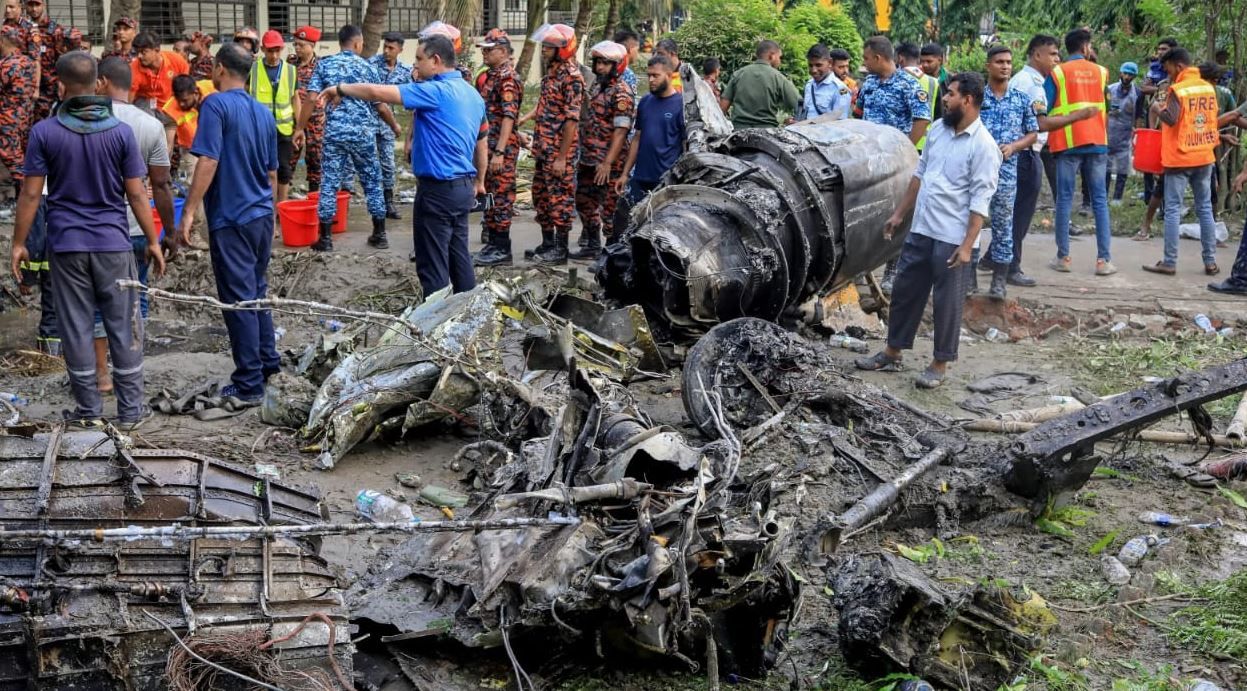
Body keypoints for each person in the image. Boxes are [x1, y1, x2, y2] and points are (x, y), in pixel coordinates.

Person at [10, 51, 164, 427]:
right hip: (114, 243)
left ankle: (88, 411)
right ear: (97, 83)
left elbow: (31, 195)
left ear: (60, 86)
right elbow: (137, 194)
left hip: (67, 246)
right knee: (123, 323)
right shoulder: (120, 133)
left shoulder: (44, 132)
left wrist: (18, 243)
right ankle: (129, 412)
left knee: (77, 325)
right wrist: (154, 240)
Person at [854, 72, 1000, 389]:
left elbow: (980, 201)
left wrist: (967, 246)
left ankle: (939, 364)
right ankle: (892, 353)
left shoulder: (985, 147)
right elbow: (919, 176)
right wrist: (898, 215)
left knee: (947, 304)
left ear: (968, 100)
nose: (944, 99)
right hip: (922, 229)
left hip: (953, 238)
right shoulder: (937, 131)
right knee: (906, 293)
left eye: (950, 94)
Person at [320, 33, 486, 297]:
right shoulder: (472, 94)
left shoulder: (435, 91)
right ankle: (469, 312)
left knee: (432, 264)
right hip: (462, 188)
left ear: (436, 60)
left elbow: (376, 92)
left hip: (438, 192)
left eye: (419, 59)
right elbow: (481, 140)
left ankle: (435, 325)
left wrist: (339, 89)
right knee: (459, 257)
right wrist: (480, 181)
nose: (415, 66)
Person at [177, 42, 280, 405]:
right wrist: (270, 211)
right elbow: (272, 171)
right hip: (260, 215)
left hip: (232, 216)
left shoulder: (216, 104)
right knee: (256, 290)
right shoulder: (263, 112)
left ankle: (249, 382)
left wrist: (189, 211)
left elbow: (208, 160)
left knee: (238, 300)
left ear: (219, 68)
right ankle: (269, 365)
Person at [93, 56, 176, 392]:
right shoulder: (151, 125)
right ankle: (132, 367)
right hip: (138, 228)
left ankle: (101, 375)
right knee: (137, 297)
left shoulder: (85, 121)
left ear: (101, 82)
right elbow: (161, 184)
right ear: (130, 85)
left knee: (99, 301)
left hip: (97, 231)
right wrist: (168, 232)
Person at [298, 24, 397, 252]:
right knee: (372, 181)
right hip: (363, 135)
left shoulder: (324, 65)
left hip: (335, 135)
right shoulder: (368, 68)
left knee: (329, 182)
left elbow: (311, 99)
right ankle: (379, 234)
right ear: (357, 43)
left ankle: (325, 238)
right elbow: (380, 105)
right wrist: (394, 126)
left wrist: (299, 129)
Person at [1142, 47, 1219, 277]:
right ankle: (1211, 262)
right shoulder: (1208, 88)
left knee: (1173, 209)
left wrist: (1156, 107)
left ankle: (1169, 262)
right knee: (1205, 209)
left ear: (1179, 66)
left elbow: (1171, 118)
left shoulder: (1179, 89)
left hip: (1180, 158)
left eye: (1169, 70)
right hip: (1204, 156)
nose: (1168, 76)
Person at [1046, 28, 1115, 276]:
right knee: (1099, 201)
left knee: (1064, 198)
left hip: (1067, 143)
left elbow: (1046, 106)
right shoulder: (1102, 72)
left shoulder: (1057, 73)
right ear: (1086, 47)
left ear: (1068, 47)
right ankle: (1104, 261)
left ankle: (1063, 257)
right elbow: (1107, 105)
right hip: (1097, 141)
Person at [976, 45, 1037, 301]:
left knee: (1003, 224)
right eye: (999, 61)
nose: (1005, 66)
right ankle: (968, 279)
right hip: (977, 171)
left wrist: (1014, 146)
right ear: (989, 65)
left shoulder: (1021, 99)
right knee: (973, 222)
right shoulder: (977, 98)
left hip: (1007, 172)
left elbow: (1033, 133)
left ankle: (999, 281)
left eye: (1009, 62)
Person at [520, 23, 583, 264]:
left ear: (563, 49)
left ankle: (560, 250)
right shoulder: (551, 76)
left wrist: (562, 157)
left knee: (560, 200)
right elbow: (546, 106)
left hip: (559, 152)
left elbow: (571, 121)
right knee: (542, 197)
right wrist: (525, 118)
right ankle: (547, 244)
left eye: (549, 47)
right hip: (543, 149)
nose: (544, 50)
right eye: (544, 45)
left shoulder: (572, 78)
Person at [1002, 34, 1059, 288]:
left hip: (1018, 151)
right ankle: (1011, 266)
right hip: (1026, 152)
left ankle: (995, 258)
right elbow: (1040, 123)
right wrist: (1079, 116)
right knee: (1020, 213)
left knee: (1011, 209)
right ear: (1037, 55)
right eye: (1053, 54)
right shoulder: (1033, 84)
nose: (1057, 59)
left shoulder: (1020, 80)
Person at [571, 40, 634, 260]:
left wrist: (607, 162)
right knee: (583, 201)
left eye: (605, 64)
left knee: (609, 209)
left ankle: (611, 254)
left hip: (609, 163)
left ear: (617, 65)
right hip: (589, 159)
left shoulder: (622, 93)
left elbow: (621, 131)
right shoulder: (598, 87)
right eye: (597, 62)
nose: (599, 68)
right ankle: (592, 245)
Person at [614, 55, 686, 239]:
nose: (651, 80)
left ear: (669, 75)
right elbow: (637, 138)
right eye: (649, 75)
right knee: (633, 224)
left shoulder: (681, 105)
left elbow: (686, 146)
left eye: (656, 75)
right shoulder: (646, 102)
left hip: (665, 181)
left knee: (661, 230)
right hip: (640, 178)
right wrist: (625, 173)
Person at [473, 28, 522, 267]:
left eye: (488, 49)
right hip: (489, 148)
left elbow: (508, 117)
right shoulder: (492, 75)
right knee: (491, 196)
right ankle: (493, 243)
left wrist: (500, 151)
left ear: (502, 51)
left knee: (501, 197)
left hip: (500, 150)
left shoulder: (507, 78)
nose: (484, 53)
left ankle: (502, 248)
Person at [855, 36, 930, 148]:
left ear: (877, 58)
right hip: (868, 151)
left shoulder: (908, 84)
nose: (864, 62)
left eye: (866, 58)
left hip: (894, 154)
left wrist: (906, 149)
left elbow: (922, 119)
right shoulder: (869, 82)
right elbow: (858, 112)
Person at [367, 32, 412, 220]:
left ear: (400, 50)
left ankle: (388, 203)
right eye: (385, 46)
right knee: (368, 165)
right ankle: (374, 204)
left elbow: (411, 95)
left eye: (391, 48)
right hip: (368, 123)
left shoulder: (404, 71)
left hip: (386, 126)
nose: (386, 51)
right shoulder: (371, 65)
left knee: (388, 164)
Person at [251, 30, 299, 203]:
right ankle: (265, 206)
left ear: (283, 49)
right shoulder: (253, 69)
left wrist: (299, 128)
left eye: (278, 50)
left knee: (284, 169)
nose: (274, 54)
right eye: (270, 50)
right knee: (262, 168)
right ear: (263, 49)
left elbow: (296, 99)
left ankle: (282, 207)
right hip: (259, 129)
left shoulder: (291, 71)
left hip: (284, 129)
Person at [719, 40, 799, 129]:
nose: (780, 61)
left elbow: (723, 107)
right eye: (779, 57)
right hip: (767, 132)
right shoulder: (778, 78)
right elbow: (797, 103)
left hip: (739, 131)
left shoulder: (739, 74)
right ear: (771, 56)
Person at [25, 0, 80, 123]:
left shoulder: (55, 30)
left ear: (43, 4)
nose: (34, 9)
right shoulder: (23, 28)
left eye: (37, 5)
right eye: (30, 5)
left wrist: (62, 82)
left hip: (48, 88)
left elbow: (63, 59)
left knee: (46, 122)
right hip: (25, 84)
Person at [0, 26, 37, 194]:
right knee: (22, 157)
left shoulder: (5, 65)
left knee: (13, 159)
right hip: (25, 117)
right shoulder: (28, 62)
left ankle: (25, 198)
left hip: (7, 119)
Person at [289, 25, 324, 193]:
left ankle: (314, 197)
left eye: (301, 45)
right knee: (289, 158)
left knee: (315, 159)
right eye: (295, 44)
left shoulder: (322, 66)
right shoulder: (289, 64)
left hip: (316, 121)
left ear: (312, 46)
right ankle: (283, 198)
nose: (297, 48)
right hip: (293, 119)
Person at [161, 74, 214, 178]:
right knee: (186, 180)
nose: (181, 104)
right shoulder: (169, 110)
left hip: (213, 144)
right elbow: (168, 144)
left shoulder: (211, 88)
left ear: (195, 93)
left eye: (185, 100)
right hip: (190, 150)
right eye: (178, 100)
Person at [1105, 61, 1140, 203]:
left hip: (1125, 136)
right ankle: (1104, 194)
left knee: (1122, 168)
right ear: (1120, 73)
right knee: (1105, 167)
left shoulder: (1137, 94)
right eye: (1125, 73)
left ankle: (1117, 198)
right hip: (1108, 132)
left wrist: (1136, 133)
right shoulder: (1109, 89)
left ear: (1134, 76)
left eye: (1130, 74)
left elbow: (1138, 115)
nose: (1127, 77)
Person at [896, 41, 940, 150]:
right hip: (926, 145)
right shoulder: (933, 82)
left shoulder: (893, 80)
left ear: (900, 59)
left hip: (900, 145)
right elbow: (939, 117)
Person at [130, 32, 189, 112]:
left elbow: (185, 88)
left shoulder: (177, 60)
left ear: (157, 50)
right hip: (145, 105)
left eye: (144, 52)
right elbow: (129, 100)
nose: (139, 56)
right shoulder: (133, 68)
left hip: (170, 104)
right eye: (137, 52)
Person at [801, 43, 850, 121]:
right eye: (810, 65)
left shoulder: (841, 89)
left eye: (818, 65)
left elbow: (840, 123)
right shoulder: (809, 85)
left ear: (830, 63)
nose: (814, 70)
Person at [2, 0, 39, 90]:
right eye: (6, 7)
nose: (7, 10)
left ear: (20, 7)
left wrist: (36, 87)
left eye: (11, 7)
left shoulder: (31, 28)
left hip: (23, 77)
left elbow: (36, 58)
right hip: (3, 75)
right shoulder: (1, 25)